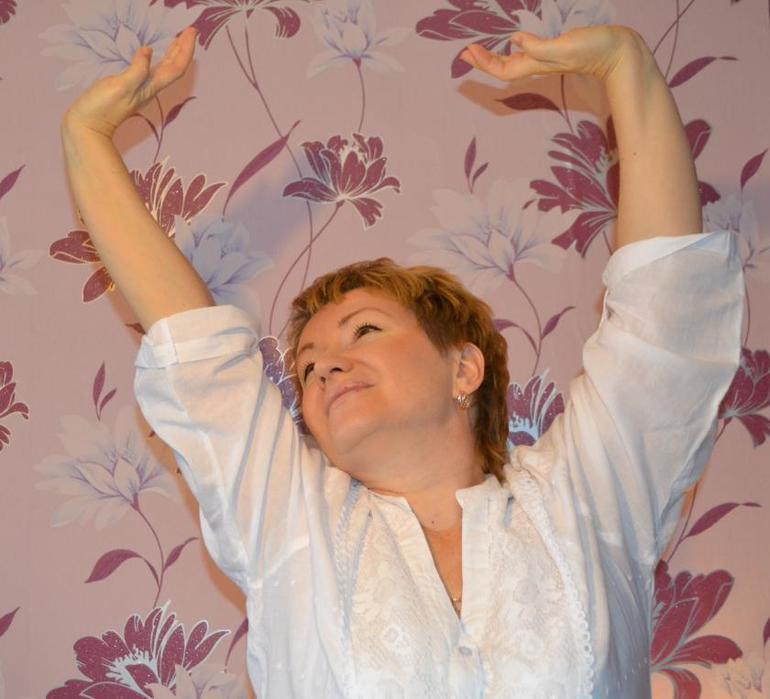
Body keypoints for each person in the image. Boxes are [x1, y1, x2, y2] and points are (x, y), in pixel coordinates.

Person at [61, 22, 744, 699]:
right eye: (306, 368)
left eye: (363, 331)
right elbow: (196, 348)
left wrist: (626, 65)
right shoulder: (293, 521)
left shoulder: (585, 498)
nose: (326, 368)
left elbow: (662, 321)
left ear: (464, 368)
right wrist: (85, 137)